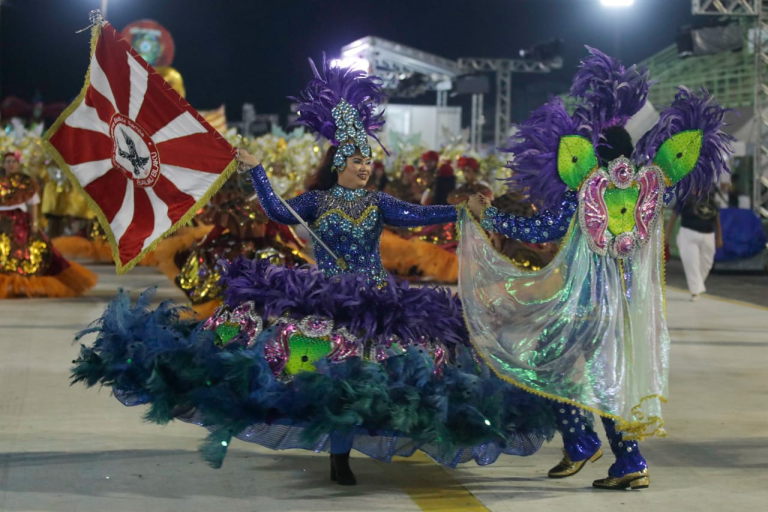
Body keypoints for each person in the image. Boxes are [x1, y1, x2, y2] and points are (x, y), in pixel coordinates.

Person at [71, 57, 555, 487]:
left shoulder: (380, 202)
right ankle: (338, 457)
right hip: (326, 301)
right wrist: (258, 170)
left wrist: (461, 210)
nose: (365, 168)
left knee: (384, 377)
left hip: (377, 304)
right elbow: (277, 211)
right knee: (326, 377)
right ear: (339, 165)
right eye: (357, 161)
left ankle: (371, 443)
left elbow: (421, 216)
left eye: (369, 162)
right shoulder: (316, 203)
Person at [462, 47, 733, 490]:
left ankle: (594, 446)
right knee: (608, 379)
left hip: (585, 306)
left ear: (591, 154)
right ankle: (617, 456)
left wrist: (487, 216)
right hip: (628, 309)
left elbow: (541, 227)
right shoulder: (649, 192)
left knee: (544, 359)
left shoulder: (585, 190)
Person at [0, 151, 97, 298]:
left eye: (13, 161)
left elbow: (33, 204)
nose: (11, 164)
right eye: (8, 161)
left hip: (20, 223)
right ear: (3, 164)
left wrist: (34, 223)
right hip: (2, 222)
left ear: (18, 164)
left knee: (31, 254)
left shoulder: (26, 182)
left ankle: (22, 285)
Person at [666, 191, 723, 301]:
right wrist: (667, 235)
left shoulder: (710, 199)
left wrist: (719, 237)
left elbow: (717, 219)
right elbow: (673, 216)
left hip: (708, 234)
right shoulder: (684, 199)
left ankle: (697, 285)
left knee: (707, 263)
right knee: (691, 263)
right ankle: (695, 291)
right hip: (688, 233)